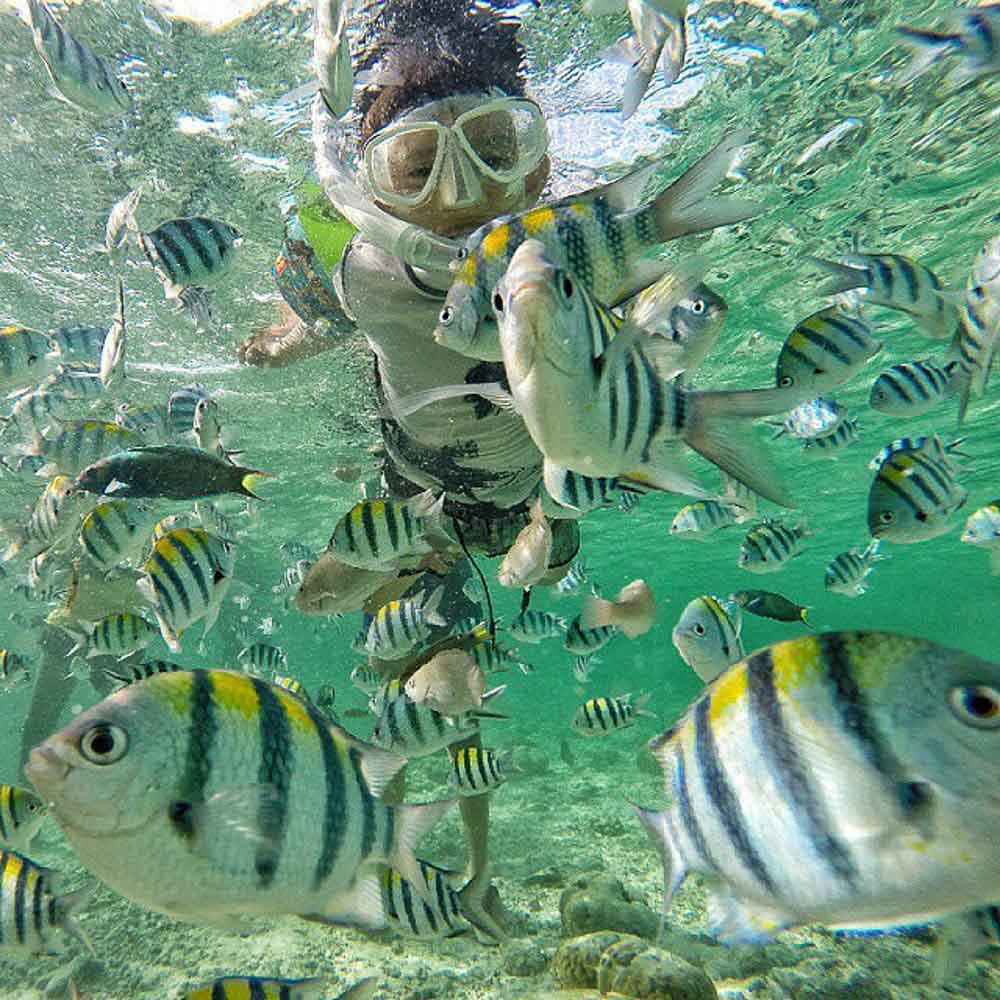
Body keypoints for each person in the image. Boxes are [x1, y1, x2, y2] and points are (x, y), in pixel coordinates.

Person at [240, 0, 581, 938]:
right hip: (413, 486)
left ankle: (473, 870)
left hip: (537, 498)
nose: (461, 196)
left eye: (494, 148)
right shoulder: (359, 270)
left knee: (481, 649)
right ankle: (398, 781)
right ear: (374, 188)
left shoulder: (580, 252)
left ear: (541, 164)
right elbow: (317, 312)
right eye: (416, 166)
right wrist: (288, 339)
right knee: (349, 613)